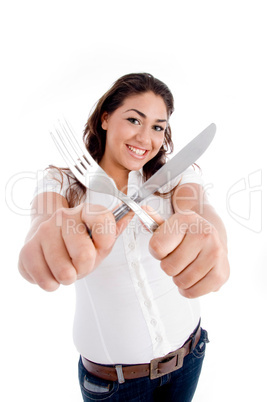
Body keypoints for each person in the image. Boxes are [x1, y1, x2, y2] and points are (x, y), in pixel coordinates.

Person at [18, 73, 230, 401]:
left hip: (190, 355)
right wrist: (46, 237)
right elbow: (44, 219)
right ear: (105, 118)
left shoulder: (174, 178)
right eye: (134, 119)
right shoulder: (62, 183)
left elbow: (199, 209)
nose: (145, 138)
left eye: (158, 127)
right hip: (113, 384)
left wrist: (212, 236)